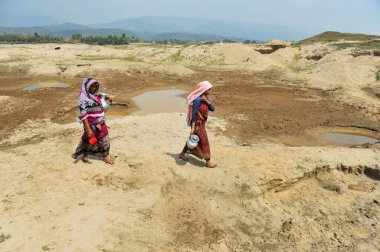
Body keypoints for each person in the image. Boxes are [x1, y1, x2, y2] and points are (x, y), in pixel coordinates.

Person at [72, 77, 113, 164]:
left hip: (101, 122)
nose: (94, 88)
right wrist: (88, 129)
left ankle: (106, 156)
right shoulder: (83, 99)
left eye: (95, 86)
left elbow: (101, 96)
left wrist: (107, 98)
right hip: (90, 124)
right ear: (87, 87)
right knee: (88, 139)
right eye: (91, 86)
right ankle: (85, 155)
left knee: (104, 138)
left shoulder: (95, 95)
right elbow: (83, 115)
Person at [179, 81, 217, 168]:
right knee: (204, 142)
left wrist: (207, 101)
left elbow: (213, 109)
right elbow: (194, 114)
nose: (210, 91)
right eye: (209, 89)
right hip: (197, 125)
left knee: (192, 140)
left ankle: (181, 154)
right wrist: (192, 128)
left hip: (202, 124)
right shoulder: (197, 100)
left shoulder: (206, 98)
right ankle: (208, 161)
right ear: (204, 89)